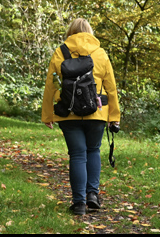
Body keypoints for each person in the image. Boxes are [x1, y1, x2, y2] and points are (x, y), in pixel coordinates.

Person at [41, 18, 120, 215]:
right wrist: (114, 116)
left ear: (70, 32)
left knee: (77, 154)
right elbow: (111, 87)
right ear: (90, 32)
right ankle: (92, 196)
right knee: (93, 150)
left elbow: (51, 84)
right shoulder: (100, 53)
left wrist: (48, 114)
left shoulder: (61, 51)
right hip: (97, 110)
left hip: (68, 112)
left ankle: (78, 204)